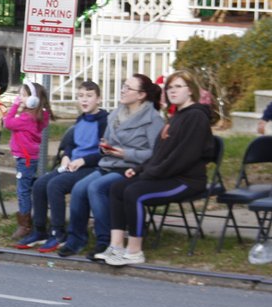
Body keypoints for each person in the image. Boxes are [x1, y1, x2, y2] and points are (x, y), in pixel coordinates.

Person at [103, 70, 215, 266]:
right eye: (170, 87)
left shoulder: (196, 117)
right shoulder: (177, 116)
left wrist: (150, 174)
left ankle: (135, 250)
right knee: (118, 188)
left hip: (186, 180)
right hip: (166, 174)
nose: (172, 91)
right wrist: (138, 170)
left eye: (178, 87)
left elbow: (183, 157)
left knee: (134, 192)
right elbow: (160, 153)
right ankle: (116, 246)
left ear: (190, 91)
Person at [58, 74, 164, 259]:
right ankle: (76, 239)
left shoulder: (153, 118)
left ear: (141, 95)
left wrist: (125, 153)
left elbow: (156, 154)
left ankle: (105, 241)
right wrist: (105, 147)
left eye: (128, 88)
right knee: (78, 188)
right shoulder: (116, 113)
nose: (123, 90)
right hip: (108, 163)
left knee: (95, 188)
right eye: (123, 86)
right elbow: (105, 141)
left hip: (130, 168)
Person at [15, 81, 107, 251]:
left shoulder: (104, 121)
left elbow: (104, 151)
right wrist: (66, 156)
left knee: (55, 185)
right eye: (81, 96)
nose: (84, 100)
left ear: (99, 99)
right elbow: (71, 145)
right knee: (40, 184)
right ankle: (40, 230)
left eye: (89, 96)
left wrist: (83, 161)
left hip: (90, 167)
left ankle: (58, 232)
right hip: (71, 164)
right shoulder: (81, 119)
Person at [2, 79, 53, 241]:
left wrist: (16, 105)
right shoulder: (39, 115)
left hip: (25, 159)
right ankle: (37, 219)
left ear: (33, 99)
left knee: (22, 192)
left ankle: (25, 225)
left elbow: (7, 122)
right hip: (29, 158)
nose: (20, 98)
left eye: (23, 96)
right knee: (30, 188)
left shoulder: (26, 118)